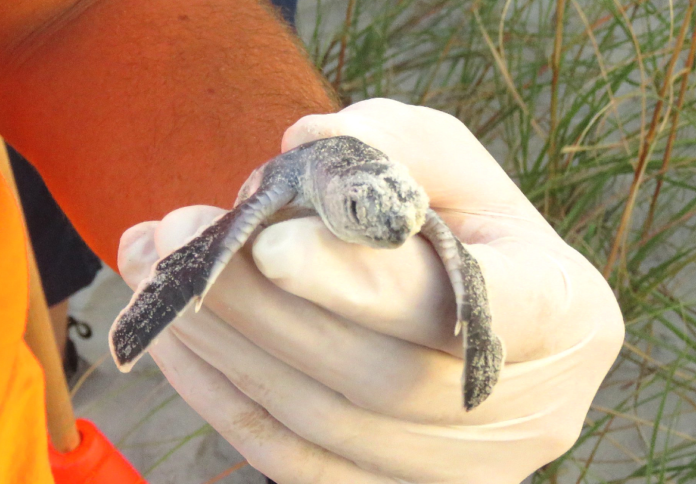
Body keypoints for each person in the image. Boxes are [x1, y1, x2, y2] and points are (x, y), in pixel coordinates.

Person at [0, 3, 624, 484]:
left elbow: (61, 17)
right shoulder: (294, 183)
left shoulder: (389, 205)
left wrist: (462, 332)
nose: (389, 235)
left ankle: (52, 344)